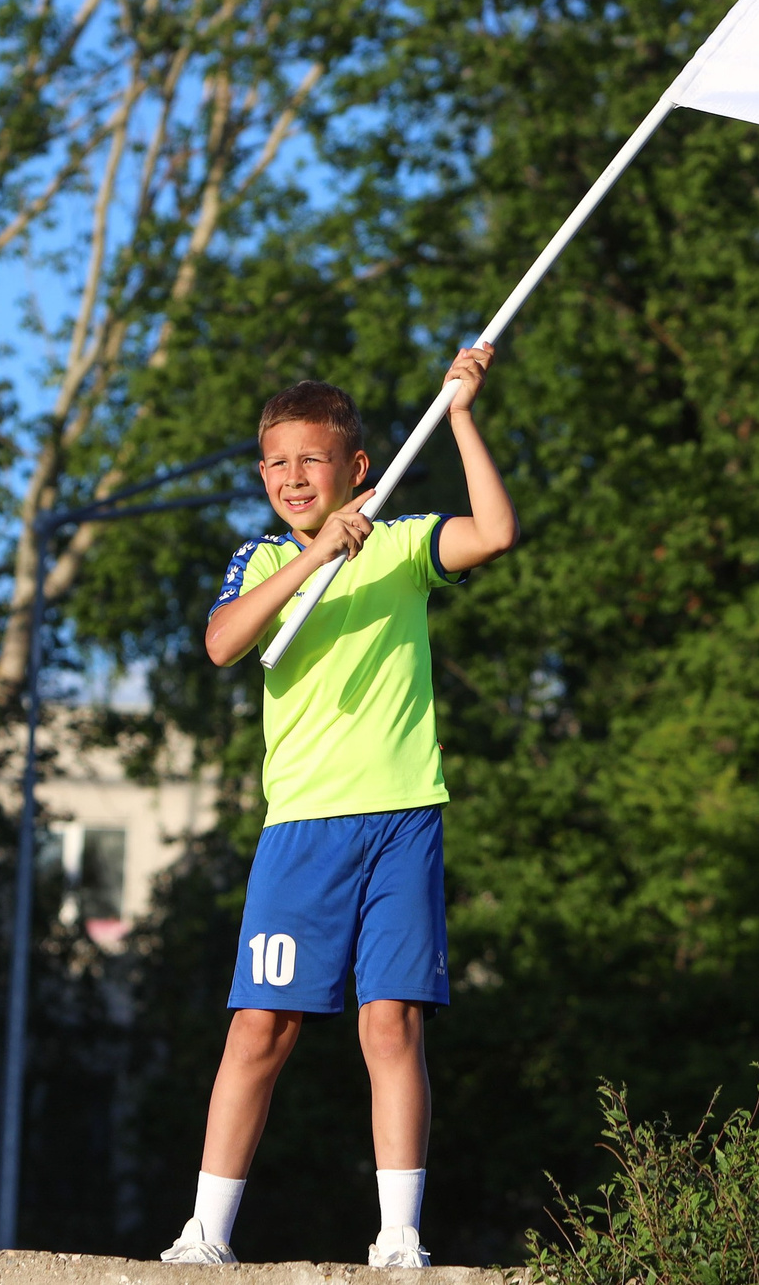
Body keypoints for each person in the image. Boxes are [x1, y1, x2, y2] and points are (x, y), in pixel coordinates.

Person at [160, 346, 519, 1270]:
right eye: (275, 462)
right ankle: (207, 1233)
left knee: (389, 1022)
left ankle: (398, 1238)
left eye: (311, 460)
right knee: (258, 1029)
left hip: (402, 817)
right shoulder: (263, 559)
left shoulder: (402, 547)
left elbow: (495, 533)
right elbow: (224, 643)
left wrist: (462, 412)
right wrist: (313, 556)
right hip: (301, 831)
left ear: (357, 468)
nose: (291, 478)